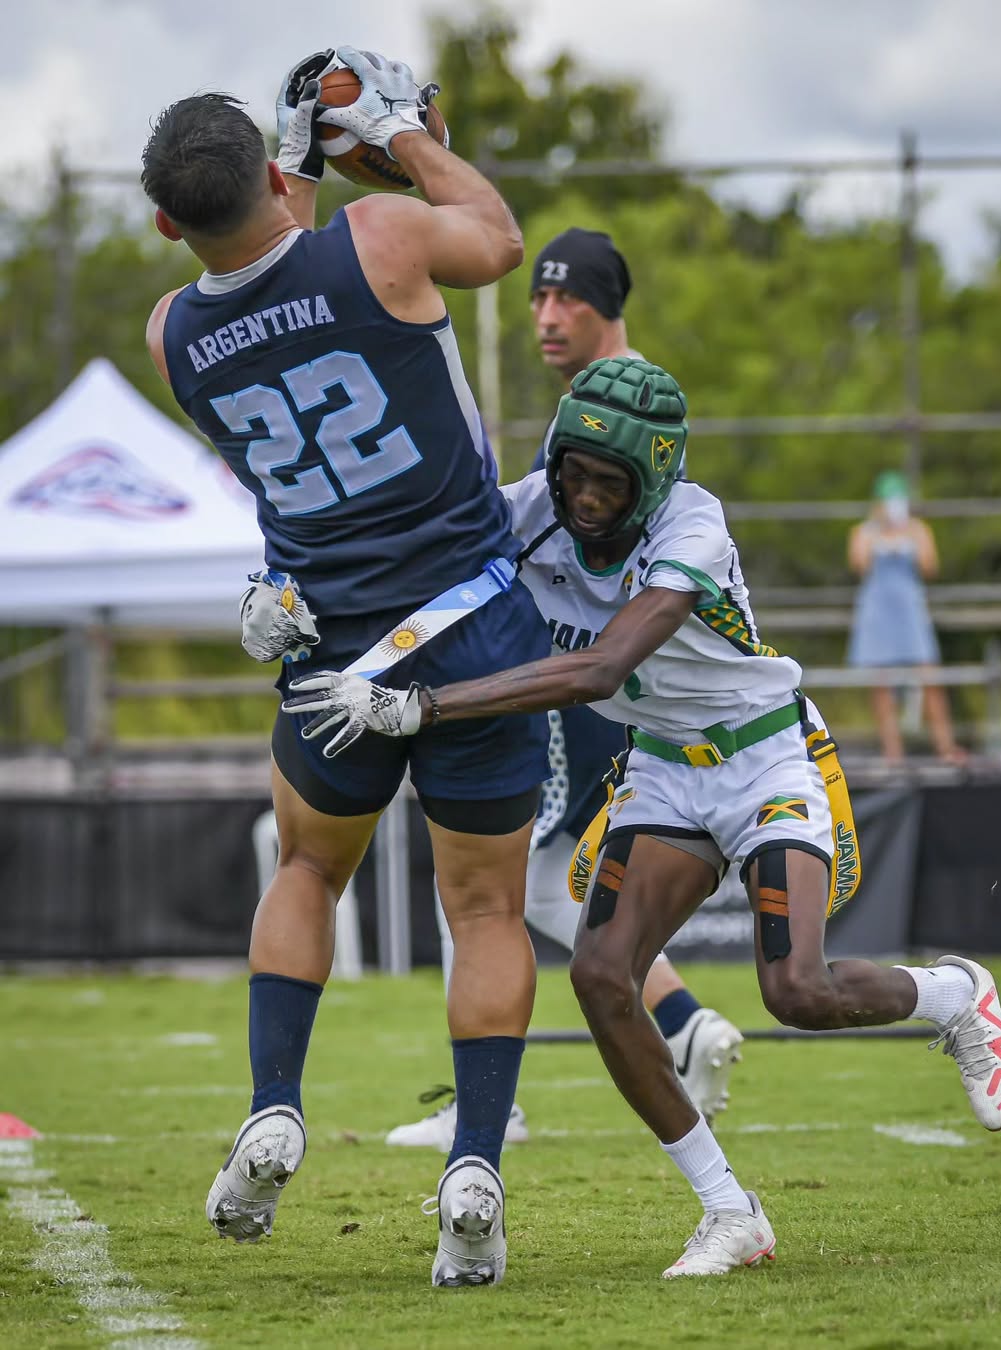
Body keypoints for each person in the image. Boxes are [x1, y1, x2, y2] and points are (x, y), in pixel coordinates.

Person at [284, 356, 1001, 1279]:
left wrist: (430, 708)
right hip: (665, 770)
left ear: (656, 480)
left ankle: (955, 995)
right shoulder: (529, 507)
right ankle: (729, 1209)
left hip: (763, 755)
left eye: (610, 482)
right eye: (573, 473)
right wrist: (288, 598)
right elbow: (406, 558)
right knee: (600, 976)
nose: (585, 498)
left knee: (795, 990)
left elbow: (600, 669)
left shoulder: (694, 523)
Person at [142, 48, 556, 1287]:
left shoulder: (171, 333)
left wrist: (295, 170)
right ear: (275, 171)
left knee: (312, 871)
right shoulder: (382, 236)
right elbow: (492, 234)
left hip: (328, 650)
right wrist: (400, 133)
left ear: (167, 223)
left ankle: (276, 1103)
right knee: (481, 909)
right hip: (470, 631)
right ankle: (475, 1160)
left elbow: (278, 287)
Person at [387, 227, 743, 1150]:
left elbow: (596, 580)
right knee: (538, 883)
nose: (546, 315)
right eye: (539, 298)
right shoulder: (596, 402)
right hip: (601, 688)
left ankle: (488, 1109)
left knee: (473, 883)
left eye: (566, 299)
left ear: (607, 305)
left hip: (582, 685)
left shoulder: (621, 407)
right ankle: (686, 1022)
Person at [847, 471, 967, 764]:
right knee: (882, 685)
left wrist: (906, 534)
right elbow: (859, 565)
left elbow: (929, 567)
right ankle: (893, 753)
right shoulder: (863, 531)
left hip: (910, 611)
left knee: (930, 678)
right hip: (878, 612)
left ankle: (945, 746)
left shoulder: (918, 530)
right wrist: (879, 531)